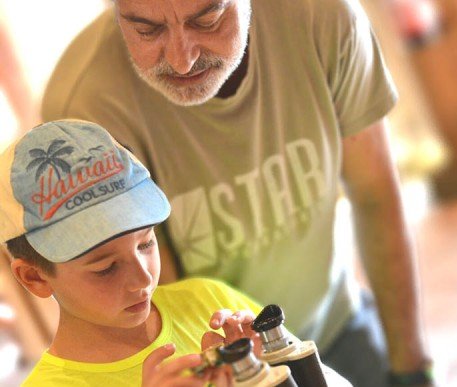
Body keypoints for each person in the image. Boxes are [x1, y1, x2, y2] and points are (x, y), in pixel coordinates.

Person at [41, 1, 435, 386]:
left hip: (337, 321)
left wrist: (413, 369)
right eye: (147, 30)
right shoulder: (86, 106)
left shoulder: (324, 17)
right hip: (220, 360)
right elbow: (157, 297)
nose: (182, 60)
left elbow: (375, 196)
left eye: (208, 20)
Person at [0, 119, 263, 386]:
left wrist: (269, 366)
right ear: (35, 277)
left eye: (146, 243)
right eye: (106, 268)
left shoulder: (208, 299)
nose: (143, 279)